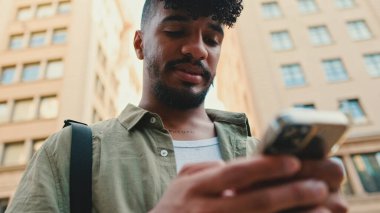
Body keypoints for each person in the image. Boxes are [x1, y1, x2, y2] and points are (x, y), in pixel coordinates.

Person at [6, 0, 348, 212]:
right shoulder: (70, 151)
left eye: (212, 39)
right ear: (140, 43)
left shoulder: (265, 157)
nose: (198, 49)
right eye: (175, 31)